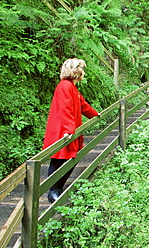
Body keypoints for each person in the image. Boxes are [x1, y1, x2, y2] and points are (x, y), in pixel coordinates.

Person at [43, 58, 99, 203]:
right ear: (76, 71)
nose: (84, 72)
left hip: (69, 130)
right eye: (82, 69)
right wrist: (68, 130)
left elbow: (82, 105)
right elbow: (65, 108)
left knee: (70, 159)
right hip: (62, 130)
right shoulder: (64, 86)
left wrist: (95, 114)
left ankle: (58, 189)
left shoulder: (72, 87)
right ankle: (53, 191)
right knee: (57, 160)